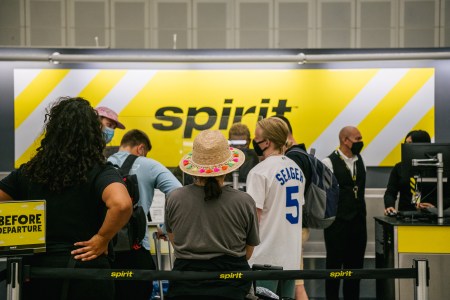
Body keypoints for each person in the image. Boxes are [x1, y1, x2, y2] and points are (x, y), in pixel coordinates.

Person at [0, 97, 133, 300]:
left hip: (39, 274)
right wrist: (102, 238)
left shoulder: (29, 171)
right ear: (93, 133)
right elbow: (121, 204)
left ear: (52, 131)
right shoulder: (100, 171)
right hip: (87, 271)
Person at [165, 130, 260, 300]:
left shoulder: (174, 198)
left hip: (185, 286)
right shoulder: (244, 201)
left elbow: (175, 241)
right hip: (232, 288)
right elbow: (248, 252)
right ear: (228, 167)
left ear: (194, 168)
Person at [107, 129, 182, 300]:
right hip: (137, 248)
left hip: (106, 250)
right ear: (141, 148)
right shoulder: (148, 165)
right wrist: (165, 226)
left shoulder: (102, 164)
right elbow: (179, 193)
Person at [246, 117, 306, 298]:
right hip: (291, 259)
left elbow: (252, 221)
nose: (253, 143)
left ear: (267, 142)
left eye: (256, 138)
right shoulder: (296, 169)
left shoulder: (259, 172)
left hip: (265, 259)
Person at [322, 126, 366, 300]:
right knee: (333, 268)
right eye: (357, 139)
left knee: (355, 269)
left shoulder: (360, 160)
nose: (361, 142)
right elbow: (325, 194)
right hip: (336, 224)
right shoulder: (328, 163)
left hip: (358, 223)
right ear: (345, 140)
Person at [273, 116, 310, 300]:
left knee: (296, 285)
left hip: (292, 229)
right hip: (297, 225)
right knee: (294, 283)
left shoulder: (292, 158)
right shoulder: (302, 154)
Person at [384, 130, 450, 214]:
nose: (406, 146)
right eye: (405, 143)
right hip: (406, 216)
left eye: (410, 143)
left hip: (432, 216)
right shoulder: (399, 167)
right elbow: (390, 192)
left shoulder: (440, 168)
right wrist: (389, 205)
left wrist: (436, 206)